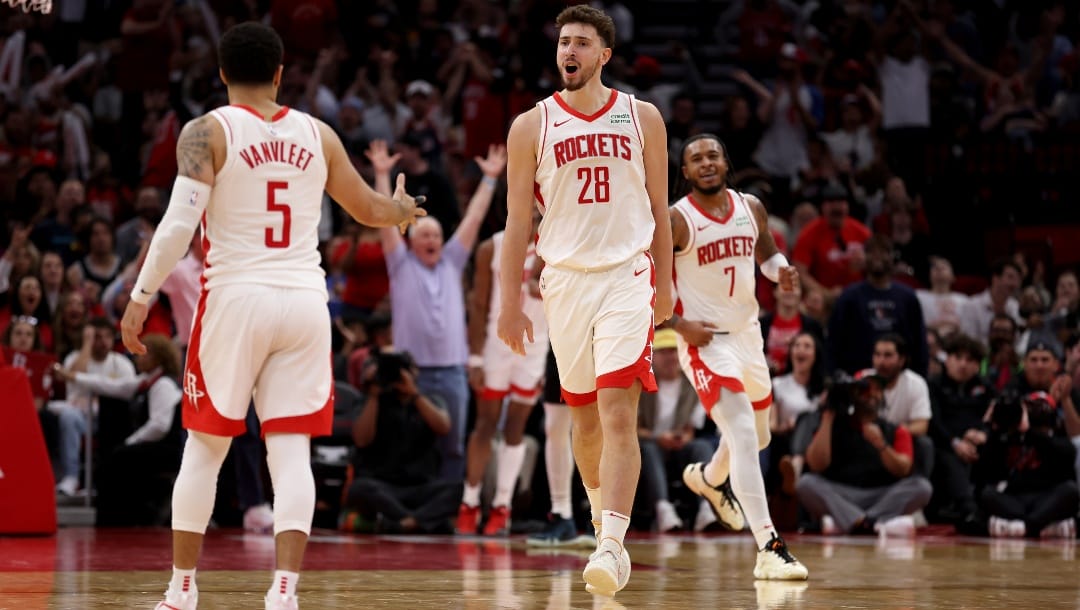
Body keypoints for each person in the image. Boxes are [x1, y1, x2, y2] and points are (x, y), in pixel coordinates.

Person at [117, 23, 425, 610]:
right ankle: (284, 592)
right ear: (282, 73)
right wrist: (401, 209)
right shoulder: (319, 133)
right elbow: (367, 208)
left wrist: (140, 296)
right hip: (306, 302)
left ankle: (182, 590)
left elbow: (179, 226)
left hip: (237, 298)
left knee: (205, 449)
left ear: (222, 73)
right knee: (291, 454)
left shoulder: (206, 130)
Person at [497, 4, 673, 597]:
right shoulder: (531, 125)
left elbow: (659, 207)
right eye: (562, 42)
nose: (567, 51)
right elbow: (517, 221)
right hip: (564, 282)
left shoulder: (641, 116)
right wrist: (508, 303)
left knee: (618, 409)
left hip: (626, 272)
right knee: (582, 418)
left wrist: (667, 281)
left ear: (604, 55)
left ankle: (613, 543)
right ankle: (602, 522)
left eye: (580, 42)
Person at [666, 133, 807, 580]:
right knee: (744, 433)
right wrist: (676, 326)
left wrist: (780, 270)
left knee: (758, 438)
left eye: (713, 155)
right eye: (696, 159)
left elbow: (765, 254)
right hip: (706, 342)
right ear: (685, 172)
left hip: (748, 336)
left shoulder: (752, 208)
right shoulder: (676, 220)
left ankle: (708, 478)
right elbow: (645, 279)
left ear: (726, 163)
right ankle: (770, 546)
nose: (706, 163)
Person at [458, 214, 550, 536]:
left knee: (516, 427)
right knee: (485, 423)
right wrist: (475, 358)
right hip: (496, 346)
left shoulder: (558, 244)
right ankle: (469, 502)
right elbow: (479, 304)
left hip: (536, 346)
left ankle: (502, 506)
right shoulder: (491, 247)